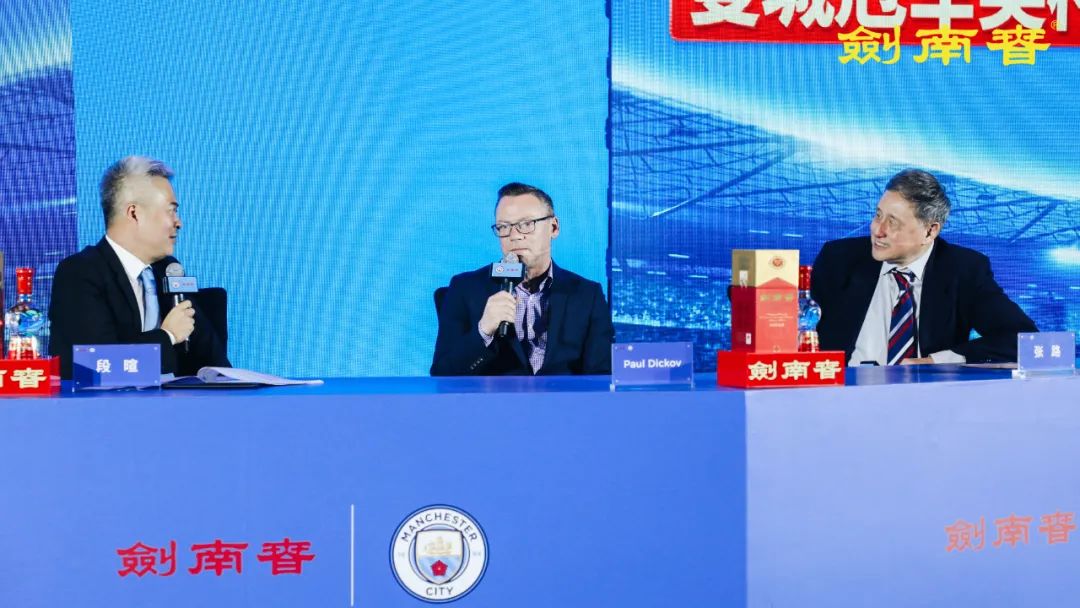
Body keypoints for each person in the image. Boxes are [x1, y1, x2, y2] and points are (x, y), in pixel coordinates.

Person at [810, 168, 1036, 365]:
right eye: (878, 215)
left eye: (893, 222)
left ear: (930, 231)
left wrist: (939, 361)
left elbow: (1023, 339)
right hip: (843, 393)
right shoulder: (838, 259)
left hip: (927, 394)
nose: (878, 230)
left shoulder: (963, 269)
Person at [49, 156, 230, 378]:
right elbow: (94, 367)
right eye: (171, 210)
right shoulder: (80, 273)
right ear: (134, 213)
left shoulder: (169, 270)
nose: (179, 222)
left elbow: (214, 362)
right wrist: (168, 336)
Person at [431, 182, 614, 375]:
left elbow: (602, 375)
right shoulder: (465, 289)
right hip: (495, 395)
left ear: (553, 227)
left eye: (526, 224)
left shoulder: (587, 294)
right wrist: (483, 331)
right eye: (504, 227)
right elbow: (442, 374)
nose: (514, 236)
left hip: (562, 395)